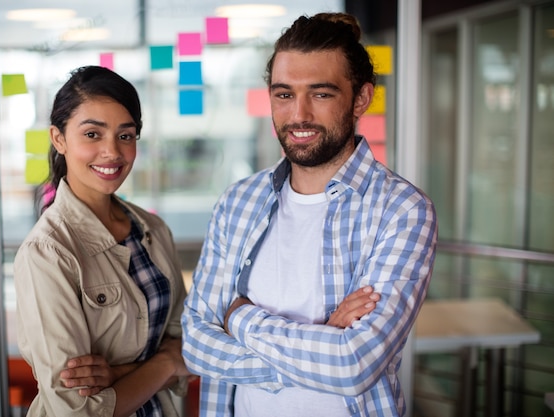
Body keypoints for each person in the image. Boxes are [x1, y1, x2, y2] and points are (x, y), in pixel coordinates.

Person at [181, 12, 438, 417]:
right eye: (284, 94)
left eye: (320, 94)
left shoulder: (401, 210)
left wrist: (238, 318)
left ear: (361, 99)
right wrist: (322, 341)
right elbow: (196, 346)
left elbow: (354, 365)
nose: (298, 114)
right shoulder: (238, 202)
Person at [14, 65, 191, 417]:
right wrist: (165, 365)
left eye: (125, 136)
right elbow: (77, 410)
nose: (112, 152)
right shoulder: (47, 253)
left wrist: (118, 373)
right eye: (93, 134)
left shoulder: (152, 229)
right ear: (58, 138)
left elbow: (189, 342)